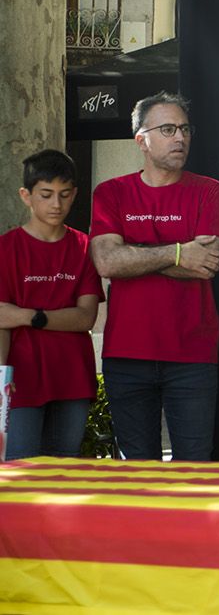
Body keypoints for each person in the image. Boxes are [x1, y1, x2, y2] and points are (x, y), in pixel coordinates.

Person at [89, 92, 219, 460]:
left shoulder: (209, 191)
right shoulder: (111, 193)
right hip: (127, 354)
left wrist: (134, 252)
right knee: (137, 472)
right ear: (142, 140)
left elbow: (208, 263)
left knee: (194, 469)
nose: (180, 138)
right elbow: (106, 263)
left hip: (192, 355)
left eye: (184, 129)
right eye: (167, 129)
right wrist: (178, 251)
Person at [0, 150, 102, 460]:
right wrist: (2, 378)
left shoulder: (85, 246)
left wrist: (27, 316)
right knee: (20, 468)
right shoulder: (6, 249)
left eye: (64, 194)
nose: (56, 204)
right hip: (20, 380)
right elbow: (1, 320)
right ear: (26, 195)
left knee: (63, 470)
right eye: (46, 195)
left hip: (72, 377)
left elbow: (85, 317)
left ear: (75, 195)